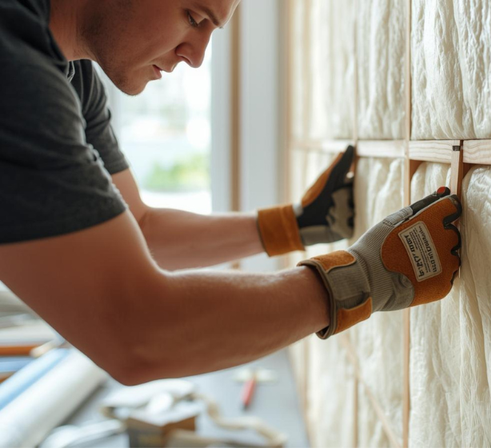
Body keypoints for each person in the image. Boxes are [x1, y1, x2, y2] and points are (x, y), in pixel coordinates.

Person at [0, 0, 461, 385]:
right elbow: (137, 333)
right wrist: (363, 279)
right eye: (194, 16)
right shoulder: (14, 67)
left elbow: (138, 227)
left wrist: (295, 224)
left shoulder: (72, 78)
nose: (198, 55)